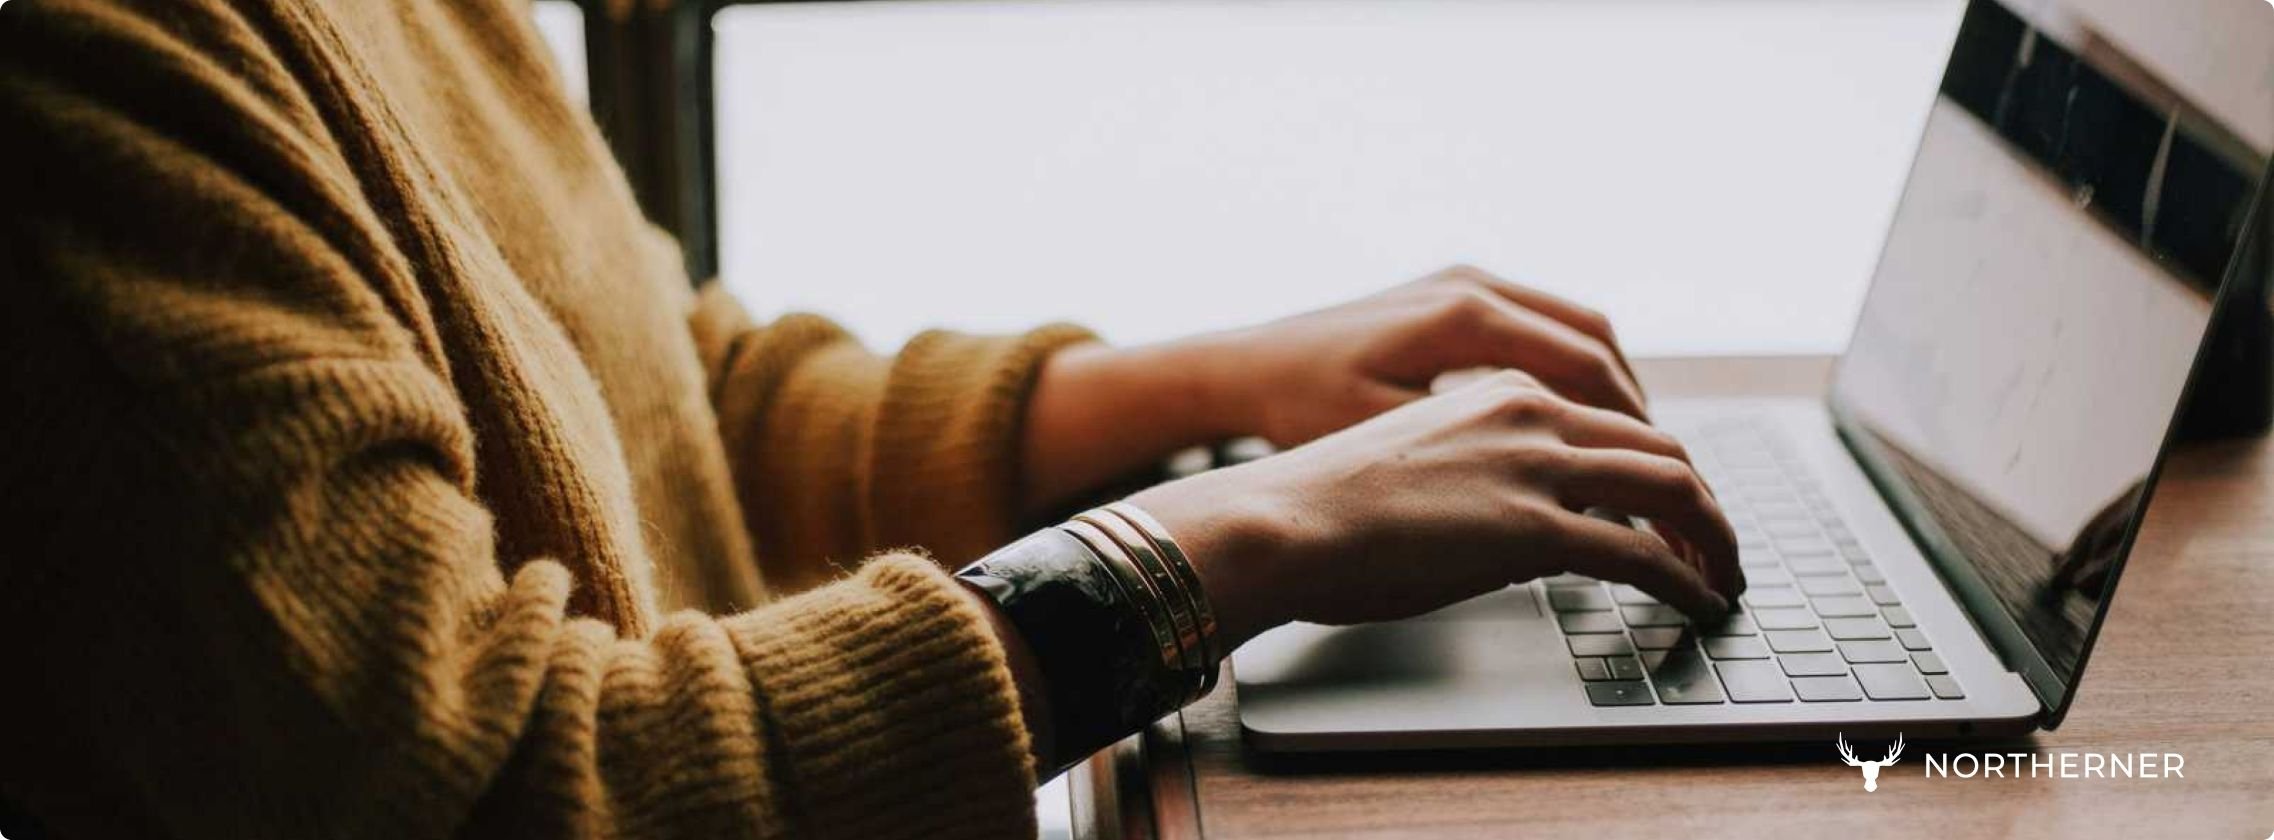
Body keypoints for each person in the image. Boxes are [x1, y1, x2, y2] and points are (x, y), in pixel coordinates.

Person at [0, 1, 1743, 837]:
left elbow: (669, 401)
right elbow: (506, 791)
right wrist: (1216, 544)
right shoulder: (83, 68)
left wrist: (1214, 387)